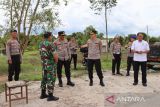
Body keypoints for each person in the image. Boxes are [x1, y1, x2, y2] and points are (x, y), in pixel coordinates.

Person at [39, 32, 59, 101]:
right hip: (50, 64)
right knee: (51, 79)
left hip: (44, 64)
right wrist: (56, 61)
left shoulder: (41, 44)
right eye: (51, 36)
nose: (52, 37)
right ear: (49, 37)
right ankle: (50, 96)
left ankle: (43, 94)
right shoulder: (51, 44)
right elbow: (55, 55)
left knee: (44, 78)